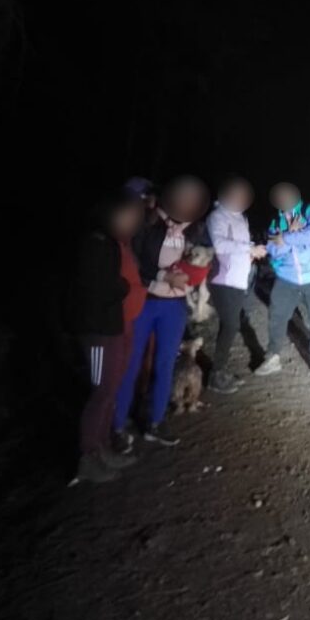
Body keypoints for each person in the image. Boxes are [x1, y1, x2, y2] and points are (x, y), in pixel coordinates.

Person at [113, 175, 210, 448]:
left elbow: (201, 259)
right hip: (146, 301)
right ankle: (117, 425)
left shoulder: (194, 228)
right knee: (131, 363)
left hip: (174, 306)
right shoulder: (148, 223)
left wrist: (196, 271)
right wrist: (163, 277)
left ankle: (156, 421)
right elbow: (134, 264)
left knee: (165, 364)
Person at [68, 191, 147, 482]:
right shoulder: (94, 242)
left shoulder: (115, 241)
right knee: (101, 392)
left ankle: (104, 449)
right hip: (99, 331)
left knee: (111, 389)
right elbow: (97, 287)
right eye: (128, 215)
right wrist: (125, 288)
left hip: (116, 326)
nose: (133, 220)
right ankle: (89, 456)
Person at [258, 183, 310, 378]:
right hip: (287, 277)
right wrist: (292, 234)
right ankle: (273, 356)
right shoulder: (276, 222)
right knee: (277, 316)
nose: (283, 198)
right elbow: (274, 250)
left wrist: (286, 238)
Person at [206, 176, 267, 393]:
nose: (241, 199)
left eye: (244, 196)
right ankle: (216, 375)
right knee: (231, 324)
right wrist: (248, 249)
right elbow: (220, 244)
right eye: (237, 195)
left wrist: (252, 250)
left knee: (230, 325)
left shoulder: (241, 217)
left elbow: (240, 244)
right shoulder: (217, 216)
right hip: (223, 278)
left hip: (240, 278)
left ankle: (220, 371)